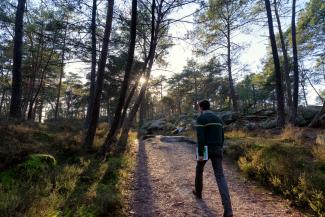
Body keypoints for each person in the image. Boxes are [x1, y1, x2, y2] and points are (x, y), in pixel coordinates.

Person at [192, 99, 233, 217]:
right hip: (218, 148)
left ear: (200, 107)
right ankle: (228, 210)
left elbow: (201, 137)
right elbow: (222, 136)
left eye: (198, 107)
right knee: (220, 177)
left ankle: (198, 193)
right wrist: (220, 148)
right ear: (209, 107)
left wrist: (200, 153)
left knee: (199, 169)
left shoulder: (201, 119)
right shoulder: (218, 119)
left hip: (205, 148)